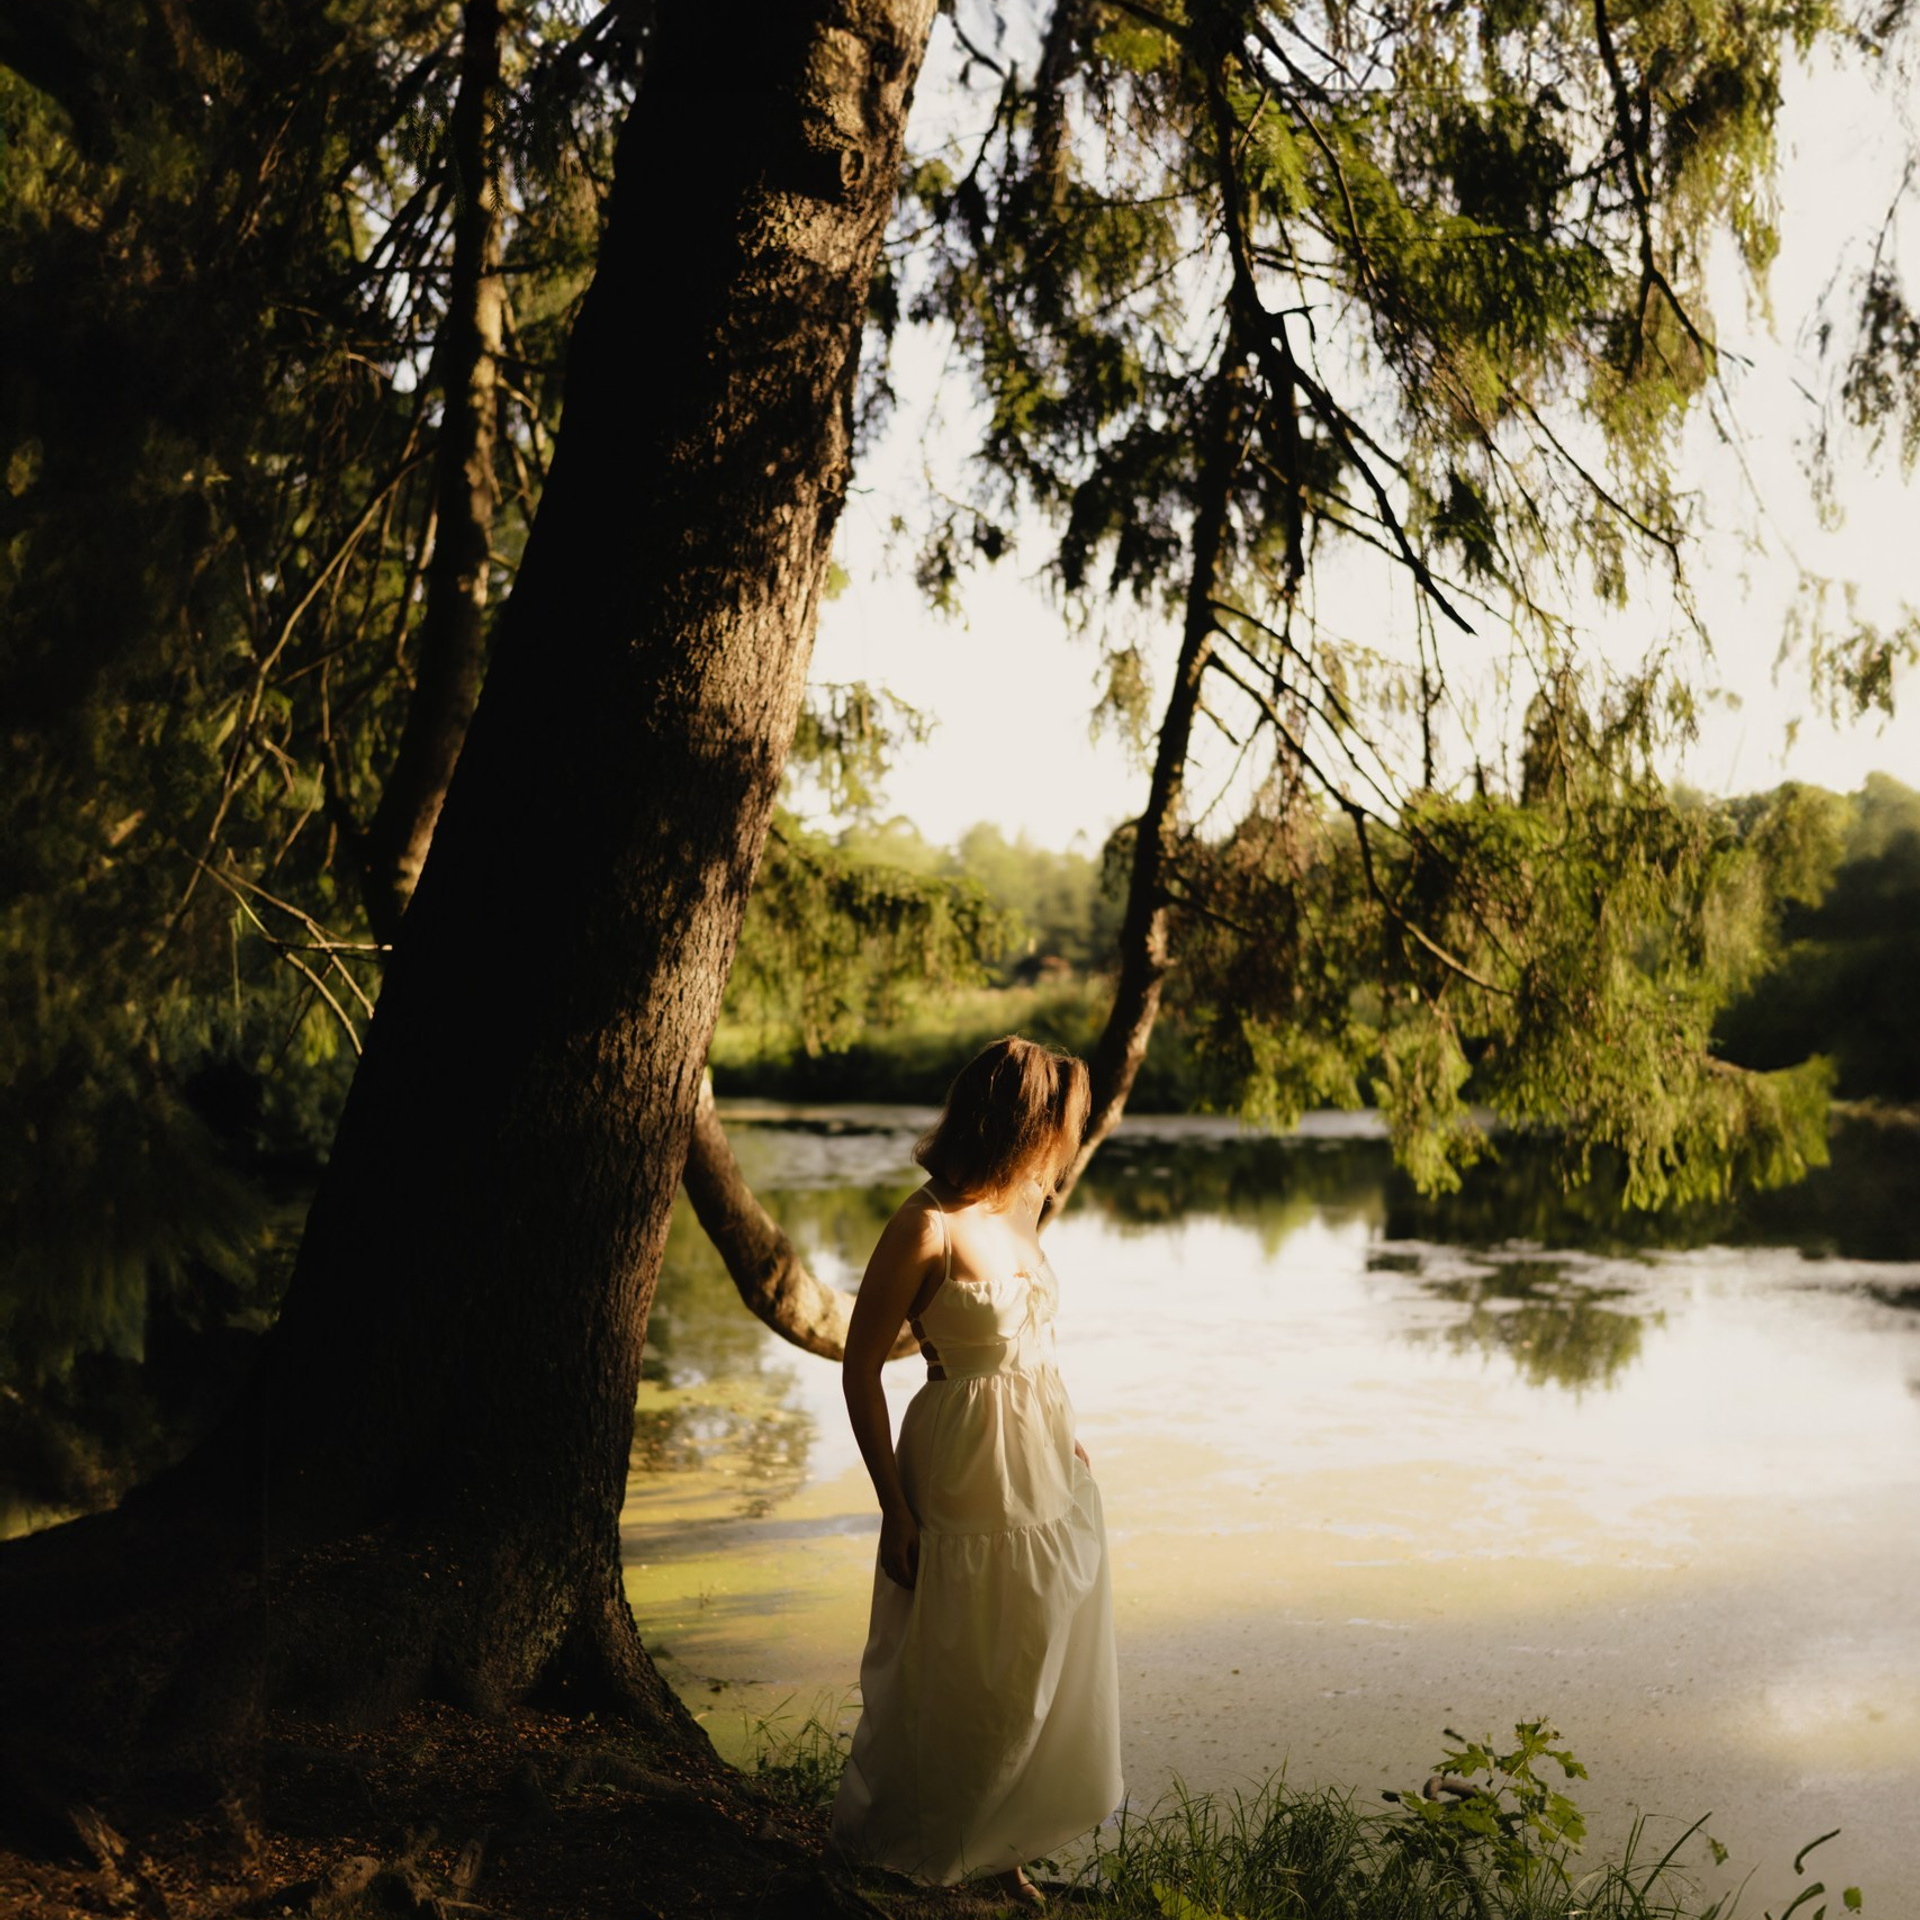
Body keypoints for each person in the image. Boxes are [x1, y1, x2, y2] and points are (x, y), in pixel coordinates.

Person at [830, 1036, 1123, 1905]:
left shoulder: (1024, 1203)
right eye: (1060, 1124)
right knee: (955, 1661)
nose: (1066, 1144)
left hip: (1040, 1464)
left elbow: (1034, 1339)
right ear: (1020, 1121)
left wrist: (1064, 1435)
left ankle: (1001, 1845)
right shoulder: (927, 1226)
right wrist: (894, 1507)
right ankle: (922, 1848)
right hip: (959, 1460)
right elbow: (858, 1368)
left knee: (1030, 1655)